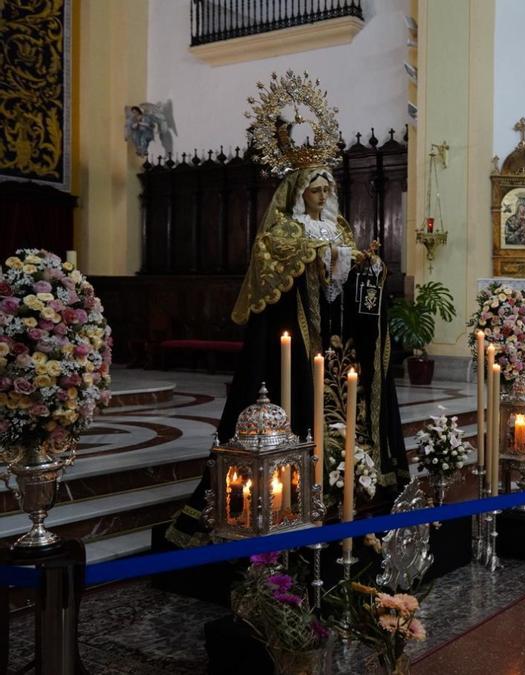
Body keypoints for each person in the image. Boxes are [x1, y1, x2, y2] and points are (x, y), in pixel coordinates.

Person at [165, 166, 407, 548]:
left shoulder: (339, 226)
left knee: (345, 406)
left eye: (328, 190)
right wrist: (317, 258)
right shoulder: (283, 232)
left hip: (337, 344)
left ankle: (352, 479)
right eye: (315, 190)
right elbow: (273, 274)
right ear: (298, 194)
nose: (323, 197)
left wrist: (368, 266)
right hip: (296, 343)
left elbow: (343, 284)